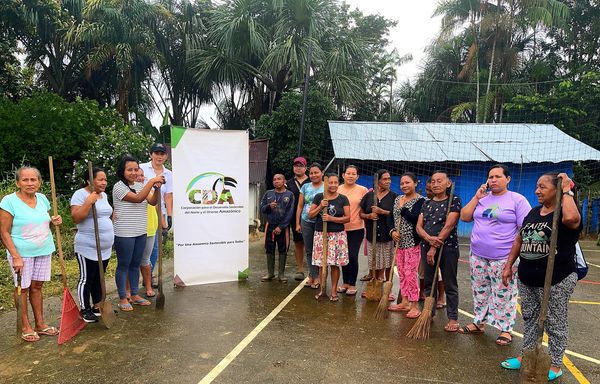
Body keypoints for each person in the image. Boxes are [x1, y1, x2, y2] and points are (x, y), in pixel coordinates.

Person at [501, 172, 581, 381]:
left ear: (557, 189)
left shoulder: (566, 211)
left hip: (557, 277)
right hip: (527, 277)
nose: (537, 190)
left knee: (555, 322)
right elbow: (519, 239)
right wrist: (509, 265)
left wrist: (567, 191)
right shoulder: (534, 212)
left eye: (543, 187)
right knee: (531, 319)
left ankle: (555, 363)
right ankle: (527, 354)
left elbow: (572, 220)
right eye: (537, 186)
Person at [460, 164, 531, 345]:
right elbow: (465, 216)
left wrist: (514, 258)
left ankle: (506, 329)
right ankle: (479, 322)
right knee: (480, 290)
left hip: (504, 257)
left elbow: (525, 228)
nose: (493, 180)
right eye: (491, 177)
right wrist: (477, 198)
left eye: (498, 177)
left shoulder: (517, 200)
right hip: (478, 254)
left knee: (504, 292)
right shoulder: (483, 198)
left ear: (508, 179)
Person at [0, 166, 62, 341]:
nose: (29, 183)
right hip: (21, 253)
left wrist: (54, 221)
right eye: (25, 180)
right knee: (23, 289)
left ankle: (40, 324)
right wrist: (16, 256)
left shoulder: (42, 199)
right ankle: (25, 326)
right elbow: (4, 232)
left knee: (37, 287)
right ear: (18, 182)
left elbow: (43, 222)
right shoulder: (9, 201)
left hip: (43, 249)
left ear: (39, 182)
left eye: (33, 179)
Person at [113, 156, 164, 311]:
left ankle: (134, 294)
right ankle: (123, 297)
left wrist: (156, 189)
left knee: (135, 264)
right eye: (130, 170)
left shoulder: (140, 185)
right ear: (123, 171)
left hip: (141, 231)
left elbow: (152, 201)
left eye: (136, 169)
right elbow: (137, 199)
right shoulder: (119, 187)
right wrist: (150, 182)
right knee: (124, 265)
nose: (134, 172)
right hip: (124, 233)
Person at [416, 170, 462, 332]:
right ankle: (429, 313)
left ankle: (453, 318)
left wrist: (434, 247)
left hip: (447, 248)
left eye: (439, 181)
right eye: (433, 181)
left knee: (449, 283)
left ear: (448, 183)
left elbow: (449, 225)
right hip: (426, 246)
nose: (435, 184)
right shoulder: (426, 203)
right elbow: (419, 227)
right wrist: (428, 240)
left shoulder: (454, 201)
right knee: (429, 282)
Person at [71, 167, 114, 323]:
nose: (104, 182)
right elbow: (76, 218)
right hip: (87, 246)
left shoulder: (104, 195)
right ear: (90, 180)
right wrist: (88, 202)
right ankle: (84, 308)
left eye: (105, 179)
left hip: (105, 248)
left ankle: (97, 305)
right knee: (87, 278)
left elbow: (108, 214)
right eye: (100, 179)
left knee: (98, 277)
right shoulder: (80, 194)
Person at [388, 172, 425, 318]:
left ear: (415, 183)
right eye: (402, 183)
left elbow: (416, 219)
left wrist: (404, 209)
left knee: (411, 274)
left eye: (408, 182)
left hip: (412, 243)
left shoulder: (421, 201)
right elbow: (391, 217)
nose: (404, 186)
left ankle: (414, 305)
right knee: (402, 273)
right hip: (399, 243)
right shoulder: (398, 199)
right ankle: (404, 301)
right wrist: (392, 232)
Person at [308, 174, 350, 301]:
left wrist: (332, 218)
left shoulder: (343, 199)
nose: (332, 185)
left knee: (335, 265)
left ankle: (333, 291)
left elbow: (348, 218)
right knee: (322, 264)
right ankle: (322, 289)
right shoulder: (319, 197)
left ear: (338, 183)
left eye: (335, 182)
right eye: (330, 182)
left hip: (337, 235)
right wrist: (321, 206)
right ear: (326, 184)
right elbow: (310, 215)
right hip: (321, 234)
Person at [359, 169, 397, 298]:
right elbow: (361, 213)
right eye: (385, 179)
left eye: (389, 179)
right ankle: (373, 286)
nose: (388, 181)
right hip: (372, 235)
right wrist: (369, 216)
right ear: (378, 181)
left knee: (387, 264)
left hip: (387, 235)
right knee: (374, 263)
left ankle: (388, 290)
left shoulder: (394, 197)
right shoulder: (369, 196)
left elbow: (396, 215)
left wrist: (383, 212)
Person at [139, 143, 173, 287]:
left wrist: (169, 217)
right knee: (140, 249)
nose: (159, 156)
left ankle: (148, 278)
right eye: (156, 153)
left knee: (154, 249)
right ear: (151, 154)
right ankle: (135, 281)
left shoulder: (168, 173)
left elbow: (168, 196)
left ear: (166, 156)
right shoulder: (141, 168)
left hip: (160, 215)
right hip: (141, 212)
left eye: (162, 153)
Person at [337, 165, 368, 296]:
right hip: (340, 228)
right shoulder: (337, 189)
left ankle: (352, 283)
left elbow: (367, 207)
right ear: (343, 175)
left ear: (357, 176)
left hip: (357, 228)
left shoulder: (363, 190)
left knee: (353, 256)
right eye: (348, 173)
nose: (350, 176)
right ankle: (345, 282)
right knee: (343, 256)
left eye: (353, 174)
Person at [260, 174, 295, 282]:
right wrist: (269, 206)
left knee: (283, 249)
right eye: (274, 179)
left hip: (283, 227)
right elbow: (262, 208)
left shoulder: (289, 195)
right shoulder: (268, 193)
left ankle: (281, 274)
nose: (276, 181)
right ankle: (270, 273)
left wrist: (281, 227)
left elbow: (290, 213)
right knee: (269, 248)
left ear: (284, 181)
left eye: (279, 179)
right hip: (270, 225)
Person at [295, 163, 324, 289]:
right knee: (309, 250)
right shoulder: (305, 187)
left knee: (320, 250)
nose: (314, 175)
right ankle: (313, 276)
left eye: (316, 172)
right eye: (311, 173)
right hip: (306, 221)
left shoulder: (327, 186)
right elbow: (300, 206)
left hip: (321, 222)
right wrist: (297, 223)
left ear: (322, 173)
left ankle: (319, 277)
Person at [286, 157, 309, 281]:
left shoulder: (312, 181)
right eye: (296, 165)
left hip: (311, 217)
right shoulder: (288, 183)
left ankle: (313, 269)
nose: (298, 168)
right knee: (298, 243)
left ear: (305, 167)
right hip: (294, 217)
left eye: (301, 165)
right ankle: (300, 269)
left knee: (311, 243)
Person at [138, 168, 158, 298]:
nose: (140, 177)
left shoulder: (149, 189)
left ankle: (148, 285)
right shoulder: (129, 190)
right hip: (137, 229)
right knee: (133, 261)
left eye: (142, 175)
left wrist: (155, 189)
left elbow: (154, 204)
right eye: (137, 175)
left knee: (146, 260)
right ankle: (130, 290)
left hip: (151, 228)